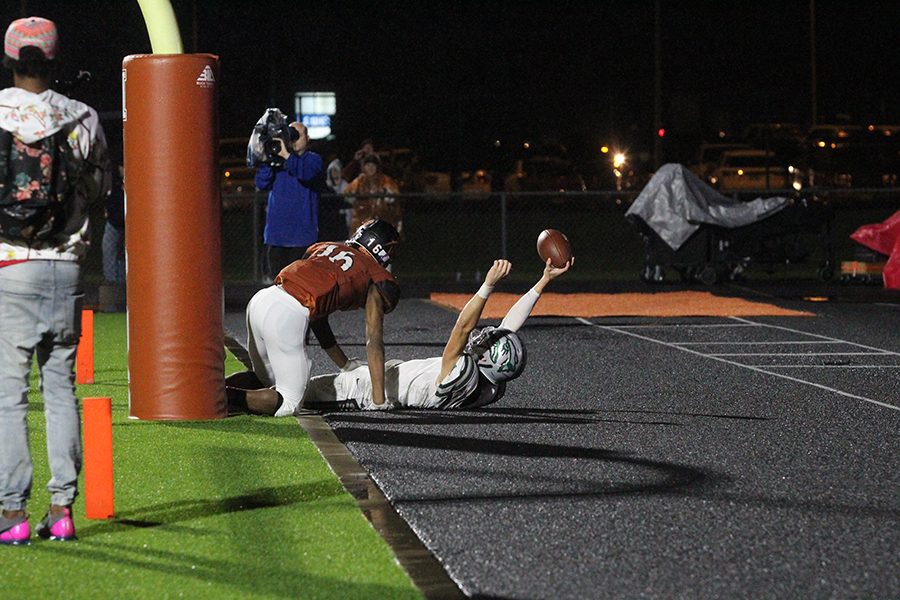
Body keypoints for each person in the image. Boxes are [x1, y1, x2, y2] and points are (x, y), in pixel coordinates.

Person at [0, 16, 109, 545]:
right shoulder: (82, 116)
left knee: (10, 395)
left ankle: (12, 514)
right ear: (54, 60)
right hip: (65, 268)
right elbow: (101, 188)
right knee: (61, 389)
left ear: (11, 59)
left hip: (10, 269)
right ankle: (62, 510)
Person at [301, 255, 573, 411]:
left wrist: (487, 286)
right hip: (382, 381)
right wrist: (544, 280)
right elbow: (509, 327)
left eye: (486, 344)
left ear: (490, 360)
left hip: (364, 390)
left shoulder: (461, 370)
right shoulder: (490, 386)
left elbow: (463, 327)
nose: (483, 338)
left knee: (292, 394)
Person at [225, 219, 402, 417]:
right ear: (382, 248)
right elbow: (374, 340)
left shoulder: (324, 247)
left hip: (263, 299)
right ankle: (220, 397)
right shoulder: (375, 274)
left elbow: (317, 317)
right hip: (288, 313)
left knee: (265, 379)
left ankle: (207, 391)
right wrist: (379, 401)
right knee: (289, 402)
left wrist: (345, 364)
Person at [255, 121, 325, 279]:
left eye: (297, 135)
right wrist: (266, 160)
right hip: (276, 236)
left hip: (302, 237)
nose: (294, 139)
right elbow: (261, 183)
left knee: (302, 286)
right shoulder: (278, 161)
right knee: (277, 286)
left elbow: (306, 173)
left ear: (307, 138)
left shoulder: (313, 160)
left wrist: (287, 155)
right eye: (290, 135)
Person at [343, 153, 402, 236]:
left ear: (377, 167)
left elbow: (394, 196)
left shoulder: (385, 180)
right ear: (364, 167)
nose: (370, 168)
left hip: (382, 220)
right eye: (368, 165)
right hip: (362, 220)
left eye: (373, 165)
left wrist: (384, 194)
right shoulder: (359, 181)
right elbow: (347, 194)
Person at [102, 164, 125, 285]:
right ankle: (112, 282)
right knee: (110, 254)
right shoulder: (114, 185)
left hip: (125, 225)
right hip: (114, 223)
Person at [319, 158, 349, 242]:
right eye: (333, 170)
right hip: (329, 219)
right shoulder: (326, 186)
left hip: (342, 219)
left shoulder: (345, 185)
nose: (334, 173)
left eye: (336, 170)